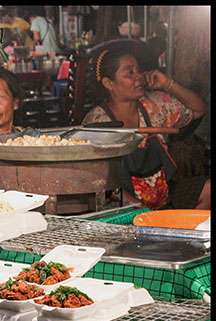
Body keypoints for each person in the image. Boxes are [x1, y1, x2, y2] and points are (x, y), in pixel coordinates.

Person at [82, 49, 210, 210]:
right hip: (121, 206)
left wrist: (167, 84)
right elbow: (100, 180)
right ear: (109, 83)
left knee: (208, 190)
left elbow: (199, 109)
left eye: (138, 70)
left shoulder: (154, 104)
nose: (139, 76)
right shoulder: (97, 123)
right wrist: (141, 209)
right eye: (130, 73)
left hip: (165, 198)